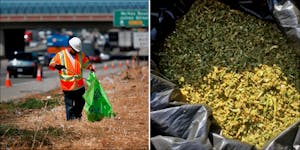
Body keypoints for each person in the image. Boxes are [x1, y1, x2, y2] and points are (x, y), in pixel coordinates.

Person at [49, 37, 95, 120]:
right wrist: (56, 66)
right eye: (75, 50)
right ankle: (71, 121)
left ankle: (77, 117)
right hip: (68, 87)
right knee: (69, 105)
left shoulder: (80, 54)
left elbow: (86, 63)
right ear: (69, 47)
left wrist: (90, 67)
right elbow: (51, 64)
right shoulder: (61, 55)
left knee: (81, 102)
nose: (76, 52)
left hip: (79, 86)